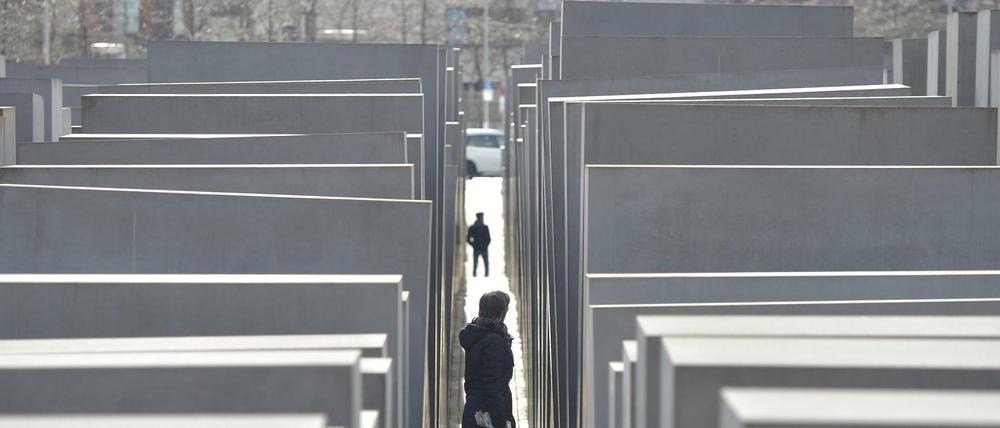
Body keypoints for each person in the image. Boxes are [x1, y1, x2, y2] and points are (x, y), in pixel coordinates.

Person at [460, 290, 516, 428]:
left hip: (475, 411)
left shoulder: (477, 334)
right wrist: (500, 422)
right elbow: (492, 386)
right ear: (501, 313)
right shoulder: (494, 341)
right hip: (488, 416)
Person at [467, 212, 492, 277]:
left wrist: (473, 245)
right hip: (480, 248)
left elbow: (488, 239)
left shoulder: (474, 228)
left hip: (479, 248)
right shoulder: (483, 228)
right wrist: (473, 245)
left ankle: (482, 275)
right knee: (480, 265)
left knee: (482, 265)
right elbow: (489, 239)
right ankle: (483, 276)